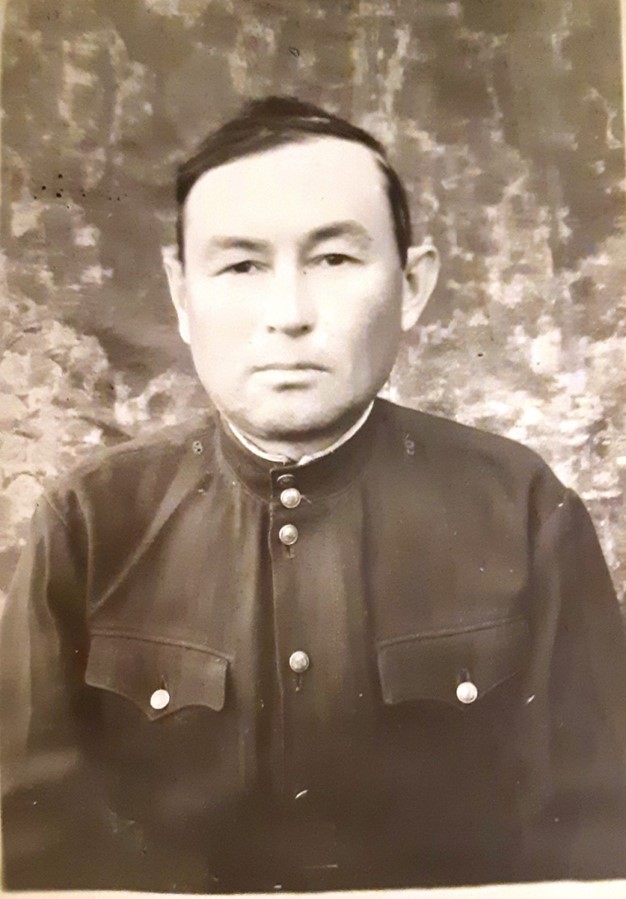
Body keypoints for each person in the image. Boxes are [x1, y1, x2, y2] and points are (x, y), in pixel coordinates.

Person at [2, 95, 626, 894]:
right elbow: (28, 852)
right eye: (241, 266)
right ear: (181, 295)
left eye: (333, 259)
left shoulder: (527, 509)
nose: (289, 316)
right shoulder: (88, 522)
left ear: (412, 284)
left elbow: (600, 849)